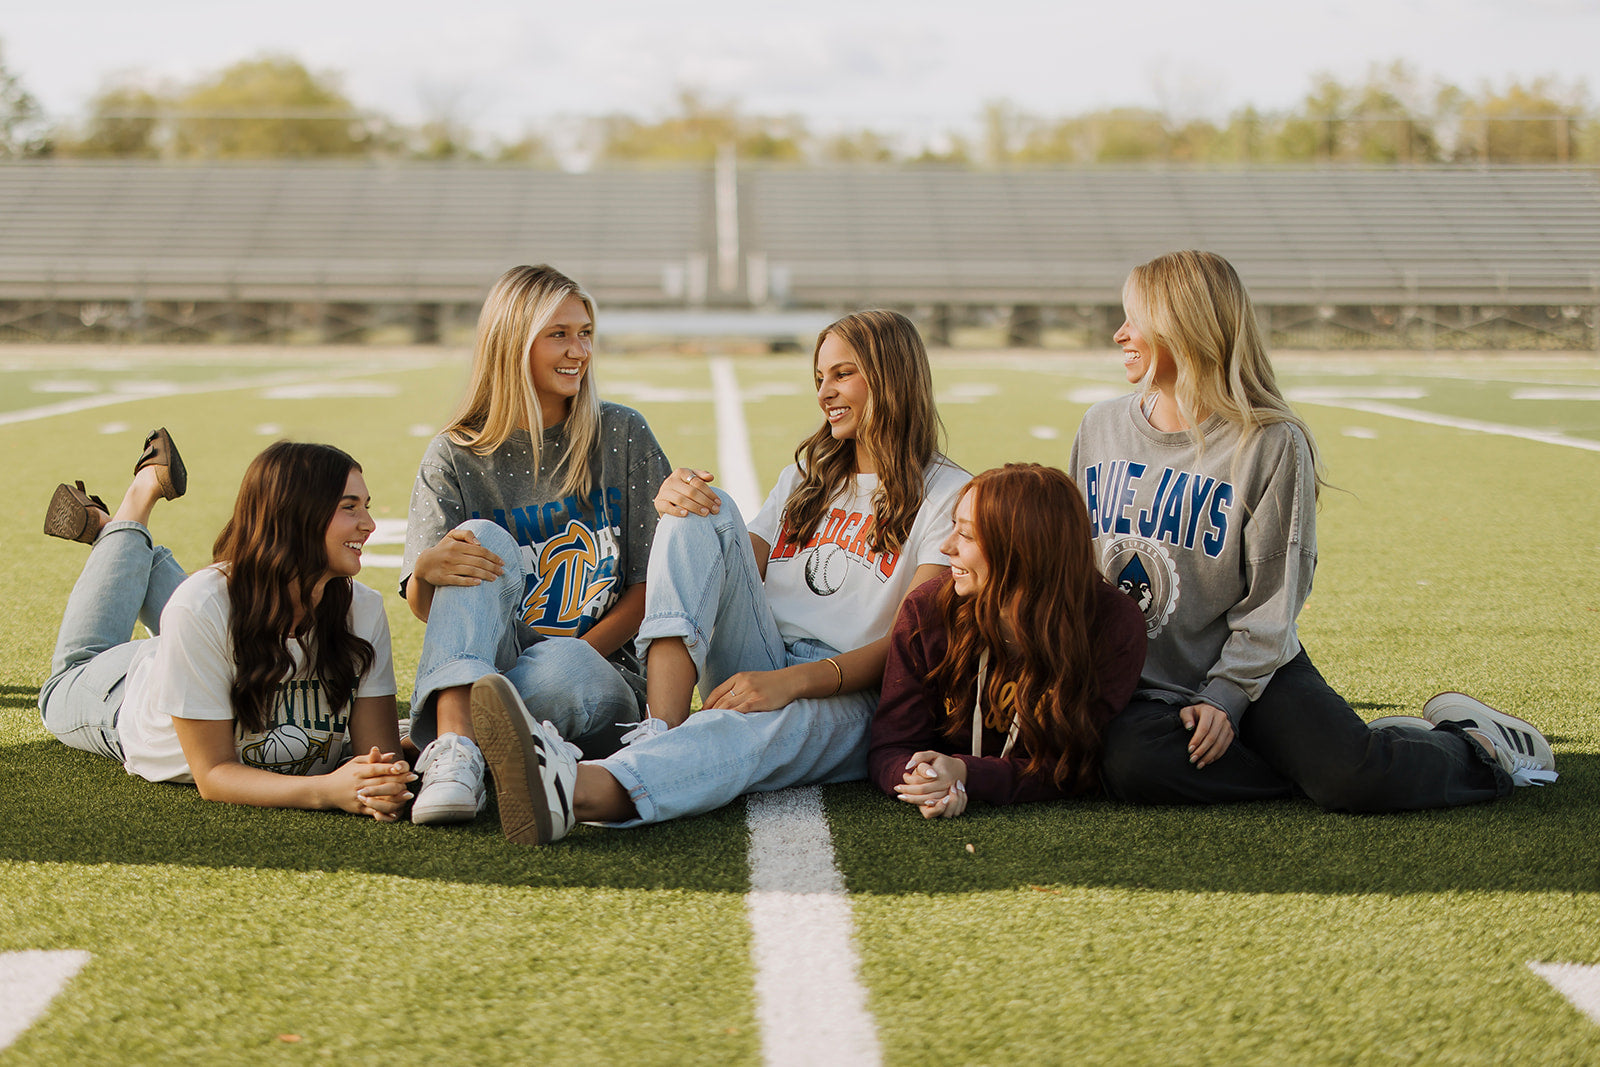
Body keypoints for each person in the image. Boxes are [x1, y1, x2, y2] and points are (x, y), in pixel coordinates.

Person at [1069, 249, 1555, 812]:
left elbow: (1273, 602)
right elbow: (1076, 565)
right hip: (1138, 679)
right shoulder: (1099, 427)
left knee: (1352, 780)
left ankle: (1477, 748)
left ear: (1184, 327)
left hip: (1253, 666)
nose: (1118, 334)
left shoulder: (1270, 443)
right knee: (1135, 766)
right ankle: (1303, 763)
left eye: (1134, 319)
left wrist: (1227, 698)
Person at [463, 308, 971, 844]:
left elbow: (909, 643)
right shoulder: (806, 476)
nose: (824, 392)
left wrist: (790, 682)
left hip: (859, 692)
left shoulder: (949, 494)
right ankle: (660, 731)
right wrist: (675, 505)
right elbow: (727, 565)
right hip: (765, 652)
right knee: (700, 507)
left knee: (744, 732)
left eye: (842, 374)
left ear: (893, 376)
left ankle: (576, 790)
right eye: (819, 378)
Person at [400, 264, 672, 825]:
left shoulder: (622, 433)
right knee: (477, 539)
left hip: (601, 673)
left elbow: (654, 583)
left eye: (585, 333)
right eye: (559, 334)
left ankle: (451, 741)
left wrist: (575, 652)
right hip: (488, 668)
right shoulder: (453, 454)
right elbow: (433, 612)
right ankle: (461, 753)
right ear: (511, 343)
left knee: (561, 665)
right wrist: (427, 569)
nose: (579, 351)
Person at [38, 432, 411, 819]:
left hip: (203, 640)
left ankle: (116, 539)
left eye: (365, 506)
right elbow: (214, 774)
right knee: (65, 682)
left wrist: (384, 784)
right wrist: (325, 791)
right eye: (350, 508)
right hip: (123, 695)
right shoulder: (200, 605)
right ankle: (138, 498)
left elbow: (380, 761)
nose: (369, 524)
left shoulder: (362, 608)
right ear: (296, 514)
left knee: (212, 604)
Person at [868, 464, 1147, 818]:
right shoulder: (927, 610)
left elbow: (1076, 767)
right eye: (954, 527)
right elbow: (891, 745)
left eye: (967, 536)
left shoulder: (1110, 624)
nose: (946, 546)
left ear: (1021, 551)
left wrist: (969, 774)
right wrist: (924, 779)